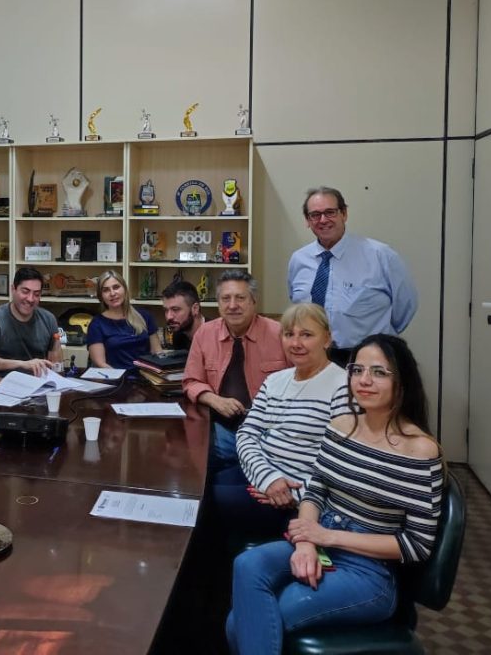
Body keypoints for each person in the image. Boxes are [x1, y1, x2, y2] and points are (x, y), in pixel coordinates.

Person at [226, 334, 443, 654]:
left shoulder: (420, 450)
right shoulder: (342, 425)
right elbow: (316, 489)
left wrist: (325, 537)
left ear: (403, 381)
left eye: (379, 372)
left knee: (247, 621)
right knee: (246, 565)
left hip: (371, 572)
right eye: (357, 370)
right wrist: (304, 542)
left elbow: (416, 545)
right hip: (324, 539)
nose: (365, 380)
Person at [219, 303, 349, 537]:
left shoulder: (342, 386)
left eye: (307, 335)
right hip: (264, 477)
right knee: (199, 491)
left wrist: (293, 495)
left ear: (327, 339)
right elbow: (247, 433)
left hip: (298, 497)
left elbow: (343, 463)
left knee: (207, 504)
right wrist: (268, 478)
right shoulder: (276, 380)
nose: (296, 343)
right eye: (289, 334)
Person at [287, 186, 418, 366]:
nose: (323, 220)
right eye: (315, 215)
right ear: (307, 220)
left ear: (344, 214)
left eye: (330, 212)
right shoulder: (298, 260)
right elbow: (298, 307)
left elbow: (405, 307)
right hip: (313, 357)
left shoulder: (380, 256)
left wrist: (381, 340)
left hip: (365, 358)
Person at [183, 270, 289, 476]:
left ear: (254, 301)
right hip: (221, 430)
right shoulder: (205, 334)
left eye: (240, 298)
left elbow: (302, 381)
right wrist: (214, 400)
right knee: (192, 465)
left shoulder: (279, 334)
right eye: (226, 298)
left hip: (269, 433)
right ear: (218, 303)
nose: (233, 305)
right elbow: (191, 381)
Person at [0, 267, 61, 377]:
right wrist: (23, 364)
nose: (30, 299)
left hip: (36, 385)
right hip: (1, 385)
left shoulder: (49, 319)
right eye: (25, 292)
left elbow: (55, 361)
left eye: (36, 294)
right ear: (13, 289)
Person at [87, 271, 161, 370]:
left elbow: (157, 352)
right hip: (116, 380)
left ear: (125, 289)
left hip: (147, 378)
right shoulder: (97, 324)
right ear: (101, 296)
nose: (112, 293)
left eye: (116, 287)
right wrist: (120, 380)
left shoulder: (144, 316)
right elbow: (101, 364)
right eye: (106, 290)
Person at [160, 280, 203, 350]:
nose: (169, 317)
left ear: (195, 309)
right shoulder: (178, 334)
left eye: (175, 309)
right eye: (166, 310)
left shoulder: (215, 335)